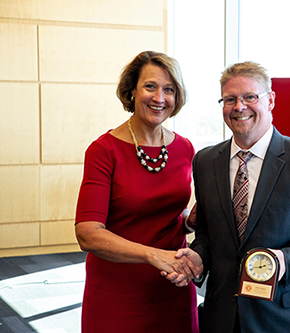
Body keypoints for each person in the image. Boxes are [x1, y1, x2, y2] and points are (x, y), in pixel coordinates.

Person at [166, 61, 290, 332]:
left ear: (270, 100)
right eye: (230, 99)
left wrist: (285, 260)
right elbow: (210, 234)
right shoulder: (206, 161)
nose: (239, 107)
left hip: (289, 319)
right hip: (223, 317)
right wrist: (200, 256)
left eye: (250, 97)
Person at [74, 51, 199, 333]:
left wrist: (191, 220)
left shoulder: (185, 148)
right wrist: (153, 255)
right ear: (132, 91)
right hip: (118, 292)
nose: (160, 98)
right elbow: (87, 233)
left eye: (169, 89)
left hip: (174, 286)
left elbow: (171, 212)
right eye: (150, 86)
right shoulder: (104, 150)